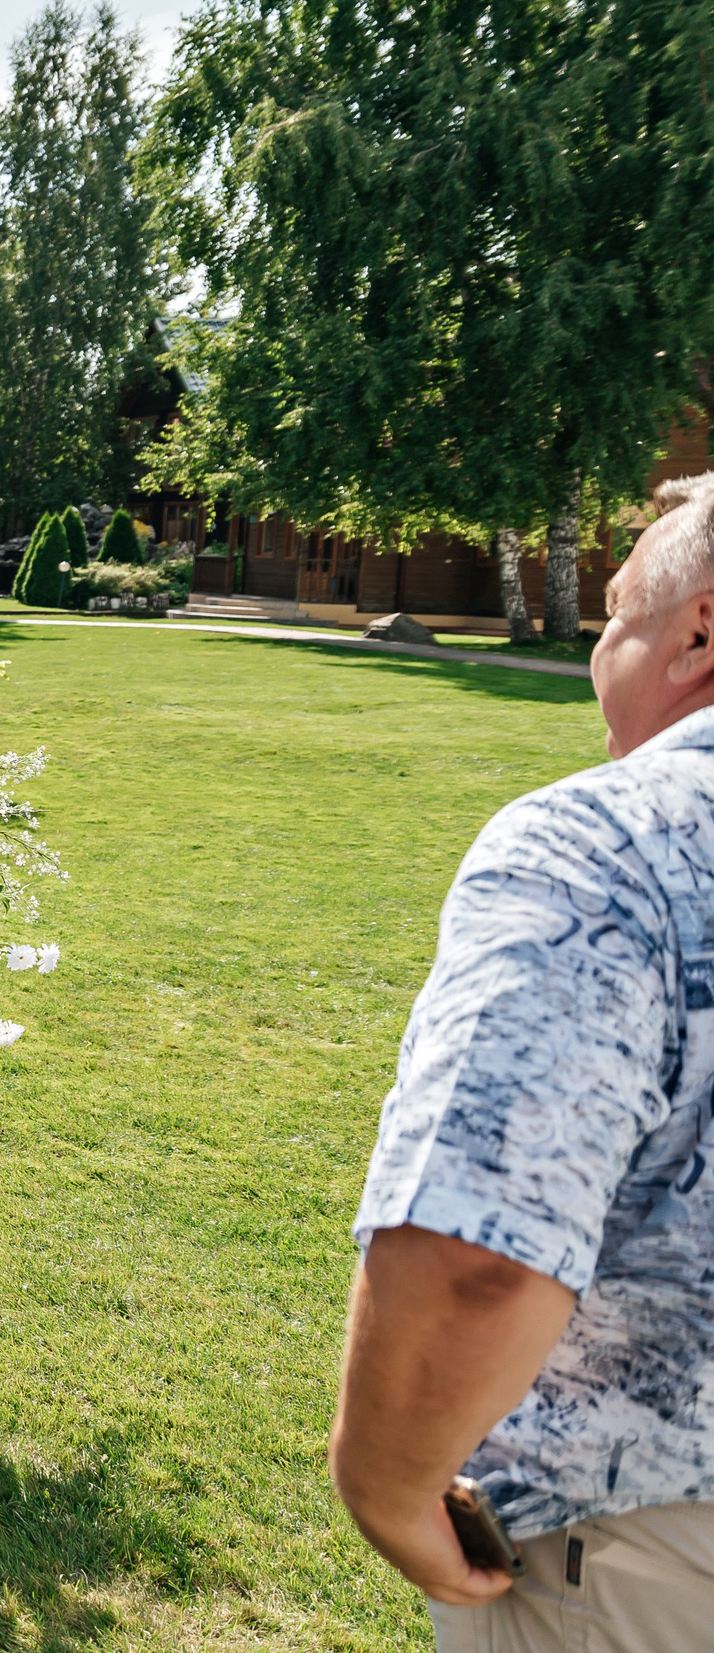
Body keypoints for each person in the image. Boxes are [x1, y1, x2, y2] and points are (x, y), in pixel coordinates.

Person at [334, 484, 714, 1651]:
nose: (601, 643)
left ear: (697, 633)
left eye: (613, 612)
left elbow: (474, 1260)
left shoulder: (609, 844)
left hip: (643, 1552)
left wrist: (386, 1489)